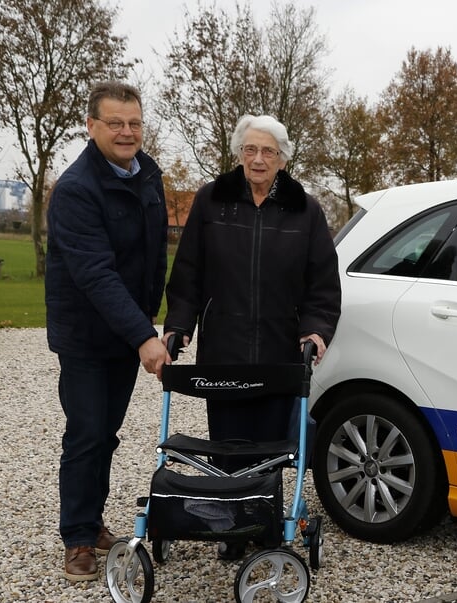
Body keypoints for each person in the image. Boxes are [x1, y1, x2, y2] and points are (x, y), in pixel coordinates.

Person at [163, 114, 341, 560]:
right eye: (250, 150)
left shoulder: (306, 209)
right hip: (224, 348)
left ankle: (263, 525)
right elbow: (188, 274)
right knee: (227, 445)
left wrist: (316, 332)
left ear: (282, 159)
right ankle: (231, 528)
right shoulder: (211, 201)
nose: (258, 159)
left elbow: (322, 285)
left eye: (268, 152)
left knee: (270, 450)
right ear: (239, 153)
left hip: (280, 351)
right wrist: (178, 325)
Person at [45, 81, 169, 581]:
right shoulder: (76, 190)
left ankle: (92, 520)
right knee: (87, 433)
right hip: (86, 337)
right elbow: (96, 273)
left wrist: (156, 321)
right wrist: (144, 336)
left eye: (134, 123)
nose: (126, 132)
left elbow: (155, 255)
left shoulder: (148, 177)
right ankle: (77, 536)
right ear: (92, 126)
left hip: (125, 329)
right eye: (115, 123)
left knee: (106, 434)